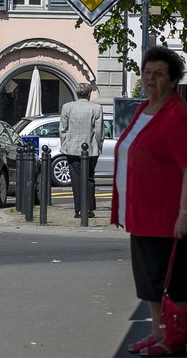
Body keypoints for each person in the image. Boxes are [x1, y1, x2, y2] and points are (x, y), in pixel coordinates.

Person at [112, 46, 187, 357]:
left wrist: (183, 214)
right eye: (147, 72)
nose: (151, 78)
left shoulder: (178, 115)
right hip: (141, 212)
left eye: (159, 74)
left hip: (166, 214)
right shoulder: (143, 109)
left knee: (170, 282)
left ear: (172, 80)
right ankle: (158, 333)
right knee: (149, 282)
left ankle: (174, 339)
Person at [59, 81, 104, 218]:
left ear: (77, 93)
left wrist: (66, 143)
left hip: (72, 147)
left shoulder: (67, 107)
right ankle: (89, 208)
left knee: (76, 179)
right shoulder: (96, 108)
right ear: (89, 94)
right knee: (89, 178)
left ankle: (78, 209)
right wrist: (98, 146)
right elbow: (99, 131)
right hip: (91, 148)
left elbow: (62, 129)